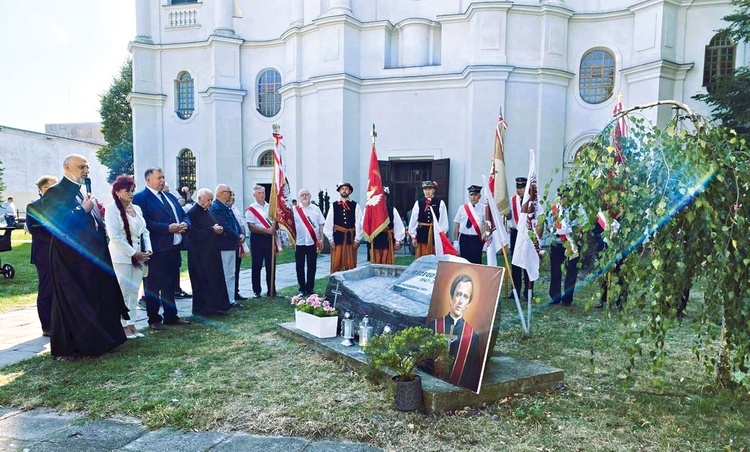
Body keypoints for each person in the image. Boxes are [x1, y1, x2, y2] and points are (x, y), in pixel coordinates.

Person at [42, 154, 129, 361]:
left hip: (91, 256)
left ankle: (101, 341)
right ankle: (68, 348)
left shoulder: (80, 191)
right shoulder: (55, 192)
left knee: (97, 297)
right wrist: (83, 209)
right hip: (70, 258)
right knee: (73, 301)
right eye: (81, 167)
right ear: (67, 167)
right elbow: (56, 222)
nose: (86, 171)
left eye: (87, 167)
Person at [133, 167, 192, 330]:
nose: (162, 180)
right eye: (158, 177)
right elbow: (145, 222)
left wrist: (185, 223)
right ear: (148, 180)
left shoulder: (170, 197)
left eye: (163, 177)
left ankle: (171, 316)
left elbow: (184, 214)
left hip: (173, 248)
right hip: (156, 250)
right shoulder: (141, 198)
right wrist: (168, 228)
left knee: (170, 283)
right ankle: (154, 319)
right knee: (153, 284)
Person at [105, 175, 152, 339]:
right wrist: (133, 253)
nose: (131, 194)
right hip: (122, 257)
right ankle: (122, 326)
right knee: (124, 292)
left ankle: (132, 324)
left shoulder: (137, 209)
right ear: (118, 192)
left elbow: (144, 231)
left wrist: (148, 250)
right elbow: (115, 236)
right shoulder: (112, 209)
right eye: (128, 191)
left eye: (133, 190)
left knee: (134, 290)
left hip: (139, 256)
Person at [430, 274, 481, 391]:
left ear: (468, 303)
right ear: (451, 297)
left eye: (466, 296)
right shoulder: (433, 327)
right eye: (458, 294)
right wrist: (434, 363)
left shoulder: (473, 337)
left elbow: (473, 375)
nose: (461, 301)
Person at [186, 188, 232, 317]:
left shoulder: (208, 212)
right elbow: (193, 234)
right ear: (199, 199)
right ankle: (203, 309)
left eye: (211, 200)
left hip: (212, 252)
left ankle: (216, 306)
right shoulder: (192, 213)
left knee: (214, 280)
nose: (210, 202)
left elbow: (214, 226)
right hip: (199, 255)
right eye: (208, 200)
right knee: (202, 282)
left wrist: (219, 230)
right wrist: (212, 230)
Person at [25, 175, 58, 336]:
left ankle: (60, 323)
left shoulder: (60, 205)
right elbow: (35, 229)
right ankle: (47, 326)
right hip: (44, 254)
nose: (52, 191)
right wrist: (57, 237)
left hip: (61, 254)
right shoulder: (33, 207)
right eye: (48, 188)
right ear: (41, 190)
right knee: (46, 289)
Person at [211, 184, 245, 306]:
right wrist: (237, 236)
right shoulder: (216, 208)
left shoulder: (226, 207)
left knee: (231, 273)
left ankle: (230, 299)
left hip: (231, 244)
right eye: (229, 192)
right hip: (223, 245)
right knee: (225, 273)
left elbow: (234, 222)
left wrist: (240, 234)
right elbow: (225, 225)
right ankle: (224, 300)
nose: (231, 195)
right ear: (221, 193)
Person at [546, 195, 580, 306]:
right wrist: (553, 229)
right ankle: (555, 296)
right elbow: (548, 224)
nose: (563, 199)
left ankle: (567, 298)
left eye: (566, 196)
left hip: (571, 243)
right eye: (561, 197)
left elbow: (582, 224)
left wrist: (574, 232)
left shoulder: (577, 208)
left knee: (571, 271)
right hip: (557, 243)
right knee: (555, 270)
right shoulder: (555, 209)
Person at [245, 185, 278, 298]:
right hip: (257, 239)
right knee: (257, 265)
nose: (261, 195)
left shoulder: (271, 207)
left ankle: (272, 289)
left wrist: (274, 228)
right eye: (258, 193)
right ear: (254, 195)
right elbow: (251, 226)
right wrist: (267, 230)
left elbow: (275, 223)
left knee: (271, 264)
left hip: (269, 239)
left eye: (263, 192)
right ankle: (257, 290)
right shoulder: (251, 209)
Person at [323, 182, 363, 273]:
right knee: (336, 262)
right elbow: (328, 223)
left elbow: (359, 223)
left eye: (346, 189)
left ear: (350, 191)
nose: (344, 190)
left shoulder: (355, 205)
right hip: (337, 238)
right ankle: (335, 282)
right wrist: (330, 239)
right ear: (339, 191)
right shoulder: (334, 205)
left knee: (350, 263)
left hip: (350, 238)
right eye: (342, 189)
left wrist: (357, 239)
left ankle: (350, 283)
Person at [293, 188, 325, 296]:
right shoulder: (294, 210)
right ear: (299, 197)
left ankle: (310, 288)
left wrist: (321, 239)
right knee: (299, 266)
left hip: (312, 242)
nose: (305, 196)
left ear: (310, 196)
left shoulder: (316, 209)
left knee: (312, 265)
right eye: (302, 195)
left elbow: (321, 224)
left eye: (306, 194)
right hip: (299, 242)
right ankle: (302, 288)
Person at [408, 181, 448, 258]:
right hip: (422, 234)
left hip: (435, 234)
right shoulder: (418, 203)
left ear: (433, 190)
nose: (427, 191)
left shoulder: (440, 203)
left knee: (434, 255)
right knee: (422, 255)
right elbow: (414, 220)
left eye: (429, 189)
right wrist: (413, 236)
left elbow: (443, 221)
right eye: (425, 189)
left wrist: (442, 235)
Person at [368, 187, 405, 265]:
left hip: (388, 239)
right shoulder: (370, 210)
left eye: (383, 196)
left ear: (386, 197)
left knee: (387, 261)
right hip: (375, 239)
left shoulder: (392, 210)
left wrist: (398, 240)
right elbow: (365, 224)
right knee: (375, 262)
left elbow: (398, 225)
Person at [453, 185, 487, 264]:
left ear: (479, 196)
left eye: (475, 195)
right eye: (471, 195)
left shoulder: (484, 209)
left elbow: (486, 226)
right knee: (464, 262)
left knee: (476, 262)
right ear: (469, 196)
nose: (473, 197)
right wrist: (455, 241)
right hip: (464, 238)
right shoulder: (462, 208)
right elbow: (457, 225)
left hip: (477, 239)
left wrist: (485, 243)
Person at [508, 177, 530, 297]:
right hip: (516, 233)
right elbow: (509, 215)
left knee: (527, 261)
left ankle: (528, 290)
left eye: (522, 187)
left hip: (527, 233)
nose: (519, 190)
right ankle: (515, 289)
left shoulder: (532, 199)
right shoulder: (512, 199)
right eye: (518, 187)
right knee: (515, 262)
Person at [228, 192, 248, 300]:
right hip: (231, 244)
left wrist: (243, 236)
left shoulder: (235, 209)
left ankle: (236, 291)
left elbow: (241, 225)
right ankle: (231, 293)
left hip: (239, 243)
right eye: (230, 195)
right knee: (230, 270)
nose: (232, 198)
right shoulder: (225, 211)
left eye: (234, 195)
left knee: (237, 268)